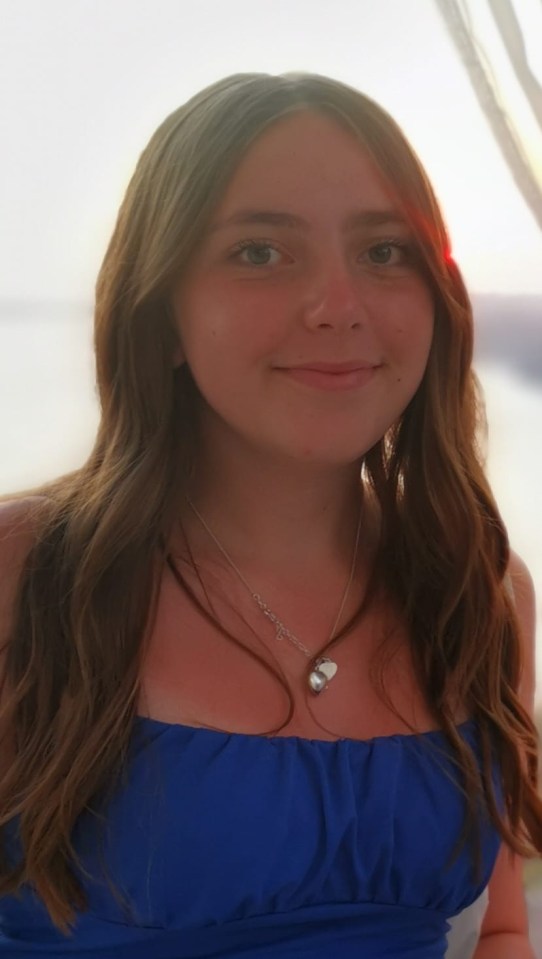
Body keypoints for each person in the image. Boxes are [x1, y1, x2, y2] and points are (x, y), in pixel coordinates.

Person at [0, 72, 539, 959]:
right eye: (259, 252)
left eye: (385, 251)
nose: (338, 306)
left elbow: (503, 930)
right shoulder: (33, 572)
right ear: (161, 311)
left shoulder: (480, 594)